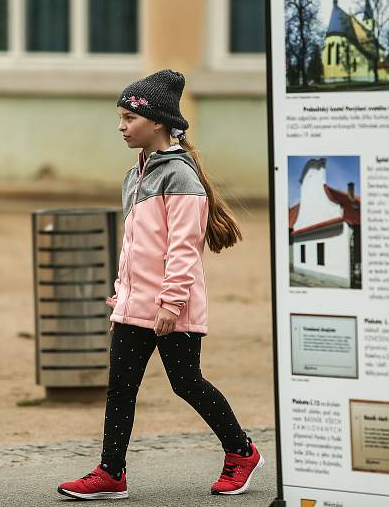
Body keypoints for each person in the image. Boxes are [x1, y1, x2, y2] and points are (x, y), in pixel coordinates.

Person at [57, 69, 264, 500]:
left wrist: (170, 304)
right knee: (121, 387)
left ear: (156, 122)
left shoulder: (180, 177)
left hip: (173, 306)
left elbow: (184, 248)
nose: (121, 126)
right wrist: (123, 292)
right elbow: (134, 245)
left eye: (128, 119)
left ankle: (242, 452)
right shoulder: (133, 176)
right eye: (119, 117)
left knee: (186, 383)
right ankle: (112, 472)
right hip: (136, 305)